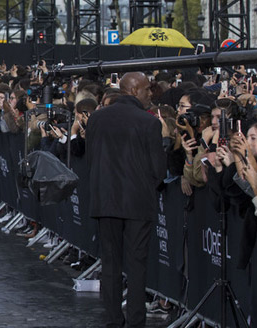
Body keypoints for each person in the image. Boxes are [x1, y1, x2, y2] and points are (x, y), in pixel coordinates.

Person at [86, 72, 166, 328]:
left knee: (110, 264)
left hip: (106, 201)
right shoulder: (149, 122)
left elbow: (90, 160)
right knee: (137, 265)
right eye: (146, 90)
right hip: (138, 203)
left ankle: (112, 321)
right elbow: (158, 171)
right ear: (133, 91)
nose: (150, 94)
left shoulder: (96, 119)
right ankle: (135, 322)